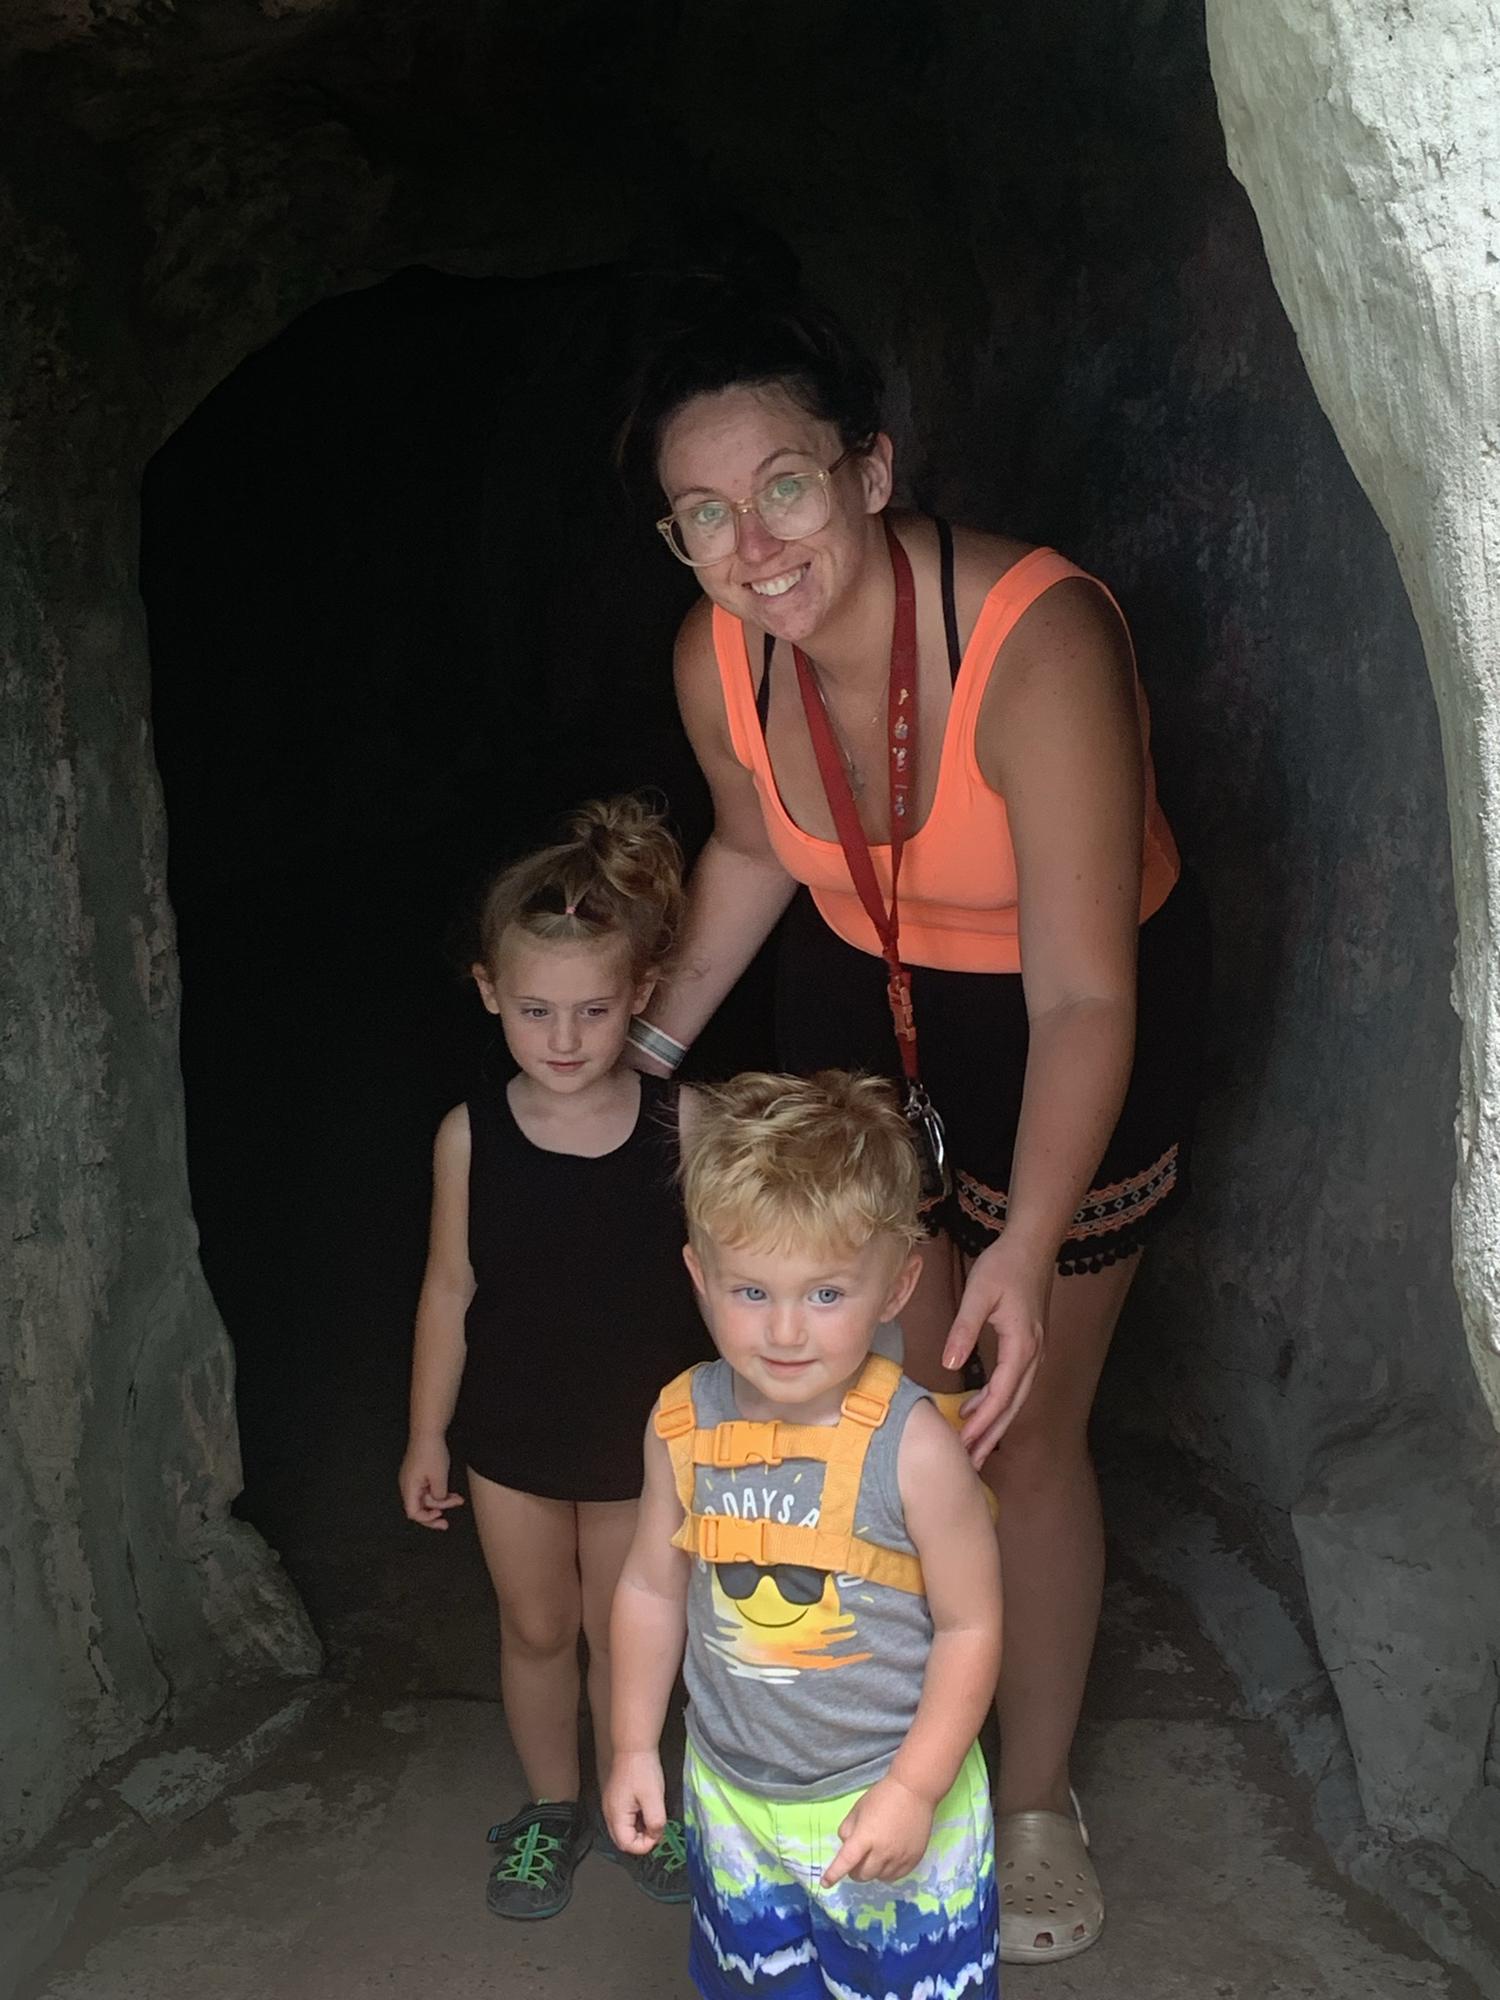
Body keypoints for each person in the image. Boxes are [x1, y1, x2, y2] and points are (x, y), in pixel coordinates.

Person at [617, 290, 1208, 1960]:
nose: (752, 547)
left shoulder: (1036, 639)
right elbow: (754, 849)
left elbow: (1084, 993)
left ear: (868, 471)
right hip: (864, 1000)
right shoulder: (718, 656)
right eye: (703, 516)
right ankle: (886, 1759)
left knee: (1018, 1429)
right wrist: (639, 1054)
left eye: (784, 486)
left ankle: (1034, 1804)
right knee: (890, 1408)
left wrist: (1027, 1242)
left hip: (1068, 1021)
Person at [605, 1069, 1003, 2000]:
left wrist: (914, 1789)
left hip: (886, 1795)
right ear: (699, 1276)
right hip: (733, 1796)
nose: (785, 1331)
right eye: (751, 1290)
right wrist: (631, 1746)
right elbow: (650, 1588)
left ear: (898, 1285)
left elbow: (972, 1626)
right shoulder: (681, 1422)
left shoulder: (914, 1450)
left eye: (826, 1294)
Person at [398, 795, 711, 1921]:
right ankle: (549, 1807)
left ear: (641, 993)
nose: (564, 1039)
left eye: (592, 1010)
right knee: (536, 1628)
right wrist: (428, 1433)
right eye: (536, 1010)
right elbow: (450, 1287)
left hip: (645, 1445)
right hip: (511, 1440)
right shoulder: (469, 1134)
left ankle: (641, 1799)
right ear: (490, 991)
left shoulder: (689, 1126)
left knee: (632, 1630)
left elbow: (735, 1285)